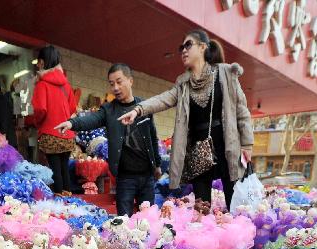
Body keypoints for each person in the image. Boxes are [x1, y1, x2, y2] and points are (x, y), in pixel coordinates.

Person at [118, 29, 253, 209]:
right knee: (201, 208)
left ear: (203, 47)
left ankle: (237, 236)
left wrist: (247, 144)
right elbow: (163, 99)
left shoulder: (226, 73)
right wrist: (138, 110)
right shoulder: (183, 83)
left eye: (188, 45)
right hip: (197, 152)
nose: (183, 50)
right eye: (181, 47)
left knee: (235, 205)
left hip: (227, 145)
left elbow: (242, 111)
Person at [56, 63, 162, 215]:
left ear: (130, 81)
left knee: (147, 221)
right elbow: (91, 119)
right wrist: (72, 123)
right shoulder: (109, 110)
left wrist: (157, 165)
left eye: (119, 82)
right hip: (125, 179)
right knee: (123, 224)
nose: (115, 88)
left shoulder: (144, 107)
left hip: (147, 177)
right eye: (112, 84)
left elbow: (152, 138)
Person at [26, 45, 78, 194]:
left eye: (38, 62)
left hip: (50, 134)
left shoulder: (42, 84)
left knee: (55, 171)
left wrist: (37, 122)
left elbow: (41, 109)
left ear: (42, 62)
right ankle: (69, 202)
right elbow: (73, 108)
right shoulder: (66, 85)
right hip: (67, 135)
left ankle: (60, 203)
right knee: (64, 169)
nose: (37, 65)